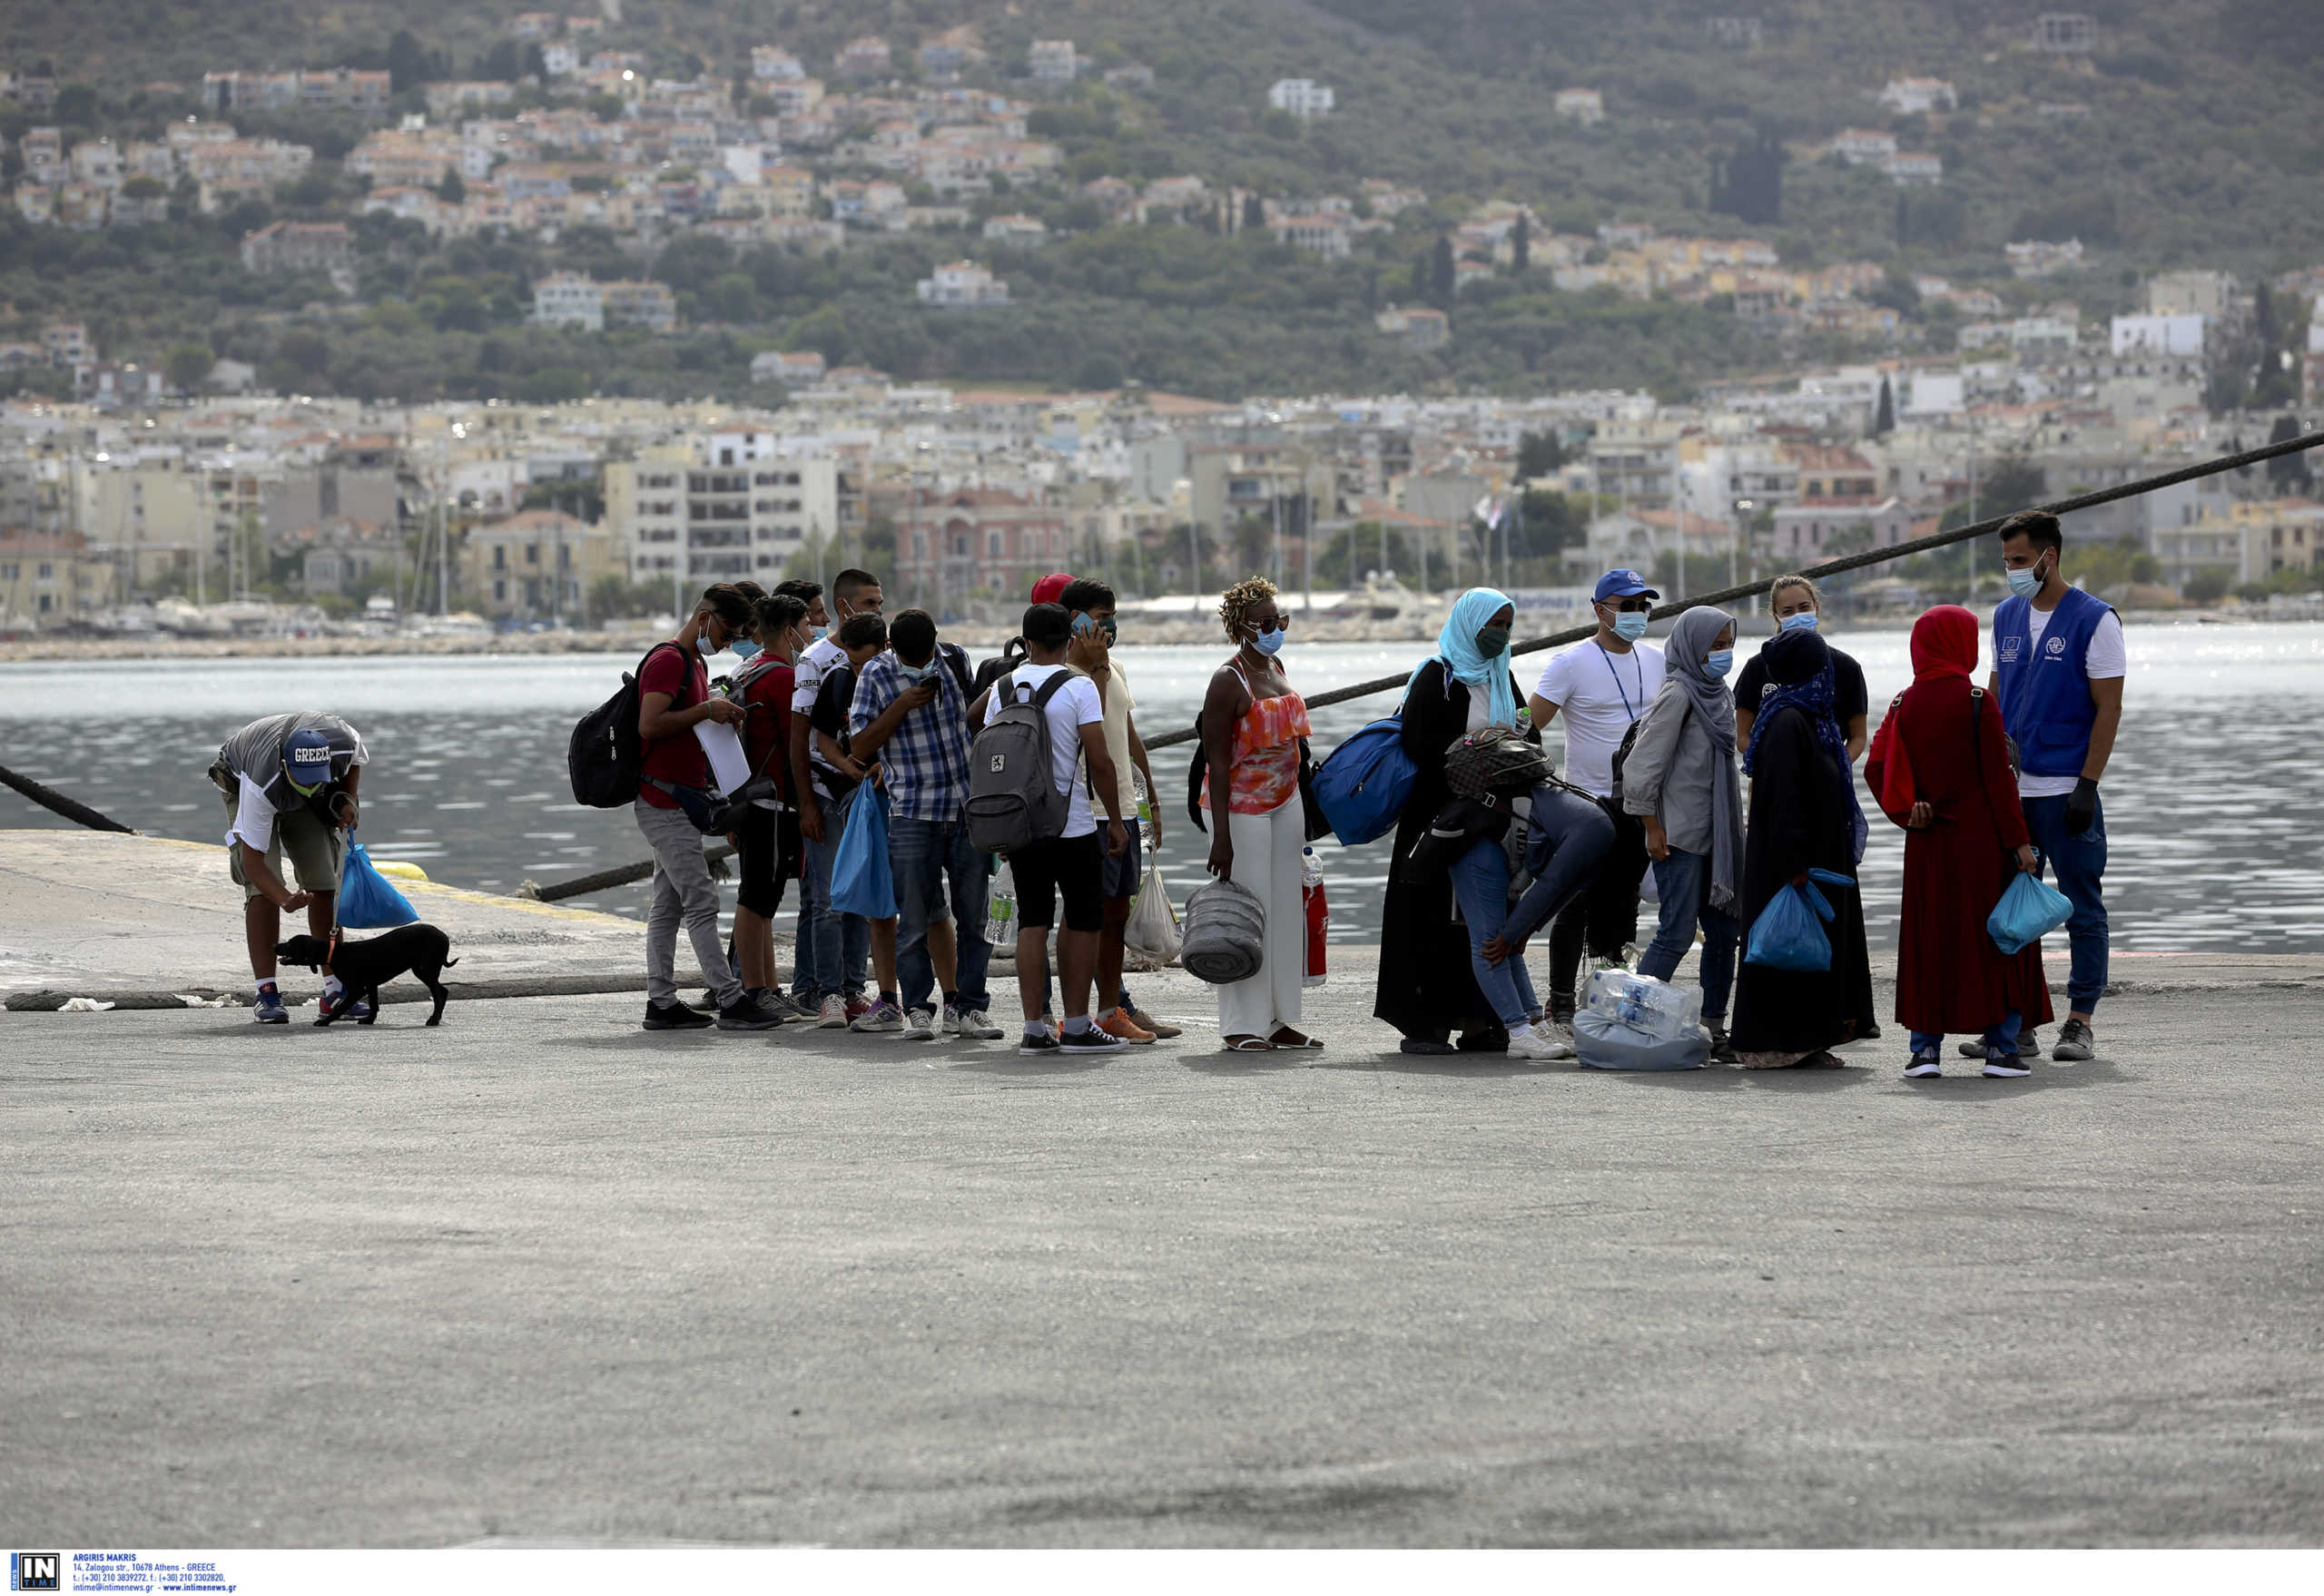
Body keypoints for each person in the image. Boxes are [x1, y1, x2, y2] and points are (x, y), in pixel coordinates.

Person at [1372, 588, 1578, 1061]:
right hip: (1438, 820)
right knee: (1429, 919)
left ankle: (1482, 1020)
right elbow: (1418, 745)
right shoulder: (1436, 677)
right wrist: (1479, 749)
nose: (1502, 634)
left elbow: (1532, 736)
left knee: (1481, 921)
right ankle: (1426, 1022)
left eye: (1508, 624)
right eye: (1495, 624)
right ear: (1470, 624)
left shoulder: (1502, 674)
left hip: (1492, 822)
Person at [1867, 606, 2053, 1079]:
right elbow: (1998, 781)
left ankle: (1924, 1052)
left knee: (1932, 939)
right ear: (1961, 643)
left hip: (1928, 846)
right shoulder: (1977, 700)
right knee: (1997, 941)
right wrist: (2021, 844)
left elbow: (1875, 767)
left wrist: (1906, 812)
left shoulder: (1902, 703)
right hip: (1983, 846)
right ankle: (2000, 1050)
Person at [1986, 509, 2121, 1065]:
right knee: (2017, 911)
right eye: (2007, 562)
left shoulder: (2095, 619)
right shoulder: (2004, 616)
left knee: (2082, 907)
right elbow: (1994, 695)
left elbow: (2108, 707)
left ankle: (2079, 1021)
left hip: (2068, 790)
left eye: (2020, 561)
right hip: (2015, 793)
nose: (2012, 571)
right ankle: (2019, 1025)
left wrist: (2087, 785)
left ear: (2049, 555)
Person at [970, 601, 1131, 1056]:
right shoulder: (1079, 686)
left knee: (1033, 920)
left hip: (1020, 822)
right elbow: (1099, 759)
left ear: (1027, 642)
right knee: (1082, 919)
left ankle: (1034, 1029)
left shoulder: (1002, 687)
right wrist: (1115, 819)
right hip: (1072, 821)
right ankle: (1077, 1024)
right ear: (1070, 642)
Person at [848, 606, 1004, 1042]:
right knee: (913, 921)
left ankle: (969, 1008)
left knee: (974, 918)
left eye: (926, 655)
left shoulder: (953, 659)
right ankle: (917, 1008)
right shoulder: (875, 675)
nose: (922, 666)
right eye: (912, 660)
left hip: (964, 808)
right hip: (913, 812)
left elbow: (973, 723)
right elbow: (859, 745)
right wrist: (901, 704)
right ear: (893, 648)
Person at [633, 586, 785, 1031]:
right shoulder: (668, 660)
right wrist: (706, 709)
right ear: (704, 619)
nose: (725, 643)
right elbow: (650, 724)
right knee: (701, 901)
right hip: (663, 800)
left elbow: (691, 721)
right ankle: (731, 998)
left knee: (667, 905)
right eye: (725, 633)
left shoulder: (695, 663)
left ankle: (660, 1001)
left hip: (681, 798)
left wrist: (716, 713)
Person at [1727, 628, 1876, 1069]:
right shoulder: (1790, 722)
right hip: (1792, 864)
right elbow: (1787, 800)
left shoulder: (1808, 718)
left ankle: (1807, 1040)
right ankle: (1779, 1043)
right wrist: (1795, 864)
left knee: (1807, 953)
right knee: (1789, 952)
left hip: (1811, 859)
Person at [1525, 568, 1665, 1032]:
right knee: (1577, 901)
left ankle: (1616, 993)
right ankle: (1561, 1002)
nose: (1636, 614)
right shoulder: (1569, 663)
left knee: (1626, 904)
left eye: (1643, 606)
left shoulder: (1657, 659)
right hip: (1590, 803)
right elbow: (1529, 726)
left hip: (1643, 802)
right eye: (1626, 606)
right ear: (1600, 609)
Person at [1620, 606, 1745, 1066]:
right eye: (1714, 644)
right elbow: (1642, 767)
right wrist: (1651, 826)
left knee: (1724, 933)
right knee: (1675, 932)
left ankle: (1714, 1026)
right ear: (1692, 646)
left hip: (1720, 837)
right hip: (1680, 834)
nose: (1722, 653)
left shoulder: (1719, 693)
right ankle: (1629, 1023)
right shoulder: (1679, 694)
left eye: (1728, 643)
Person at [1196, 577, 1318, 1053]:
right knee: (1249, 914)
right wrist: (1220, 837)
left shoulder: (1276, 663)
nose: (1276, 628)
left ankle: (1280, 1018)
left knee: (1287, 911)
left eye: (1280, 621)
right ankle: (1240, 1025)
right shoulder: (1228, 680)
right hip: (1239, 808)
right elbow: (1217, 762)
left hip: (1286, 800)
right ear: (1241, 626)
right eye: (1267, 622)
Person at [1059, 576, 1178, 1043]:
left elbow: (1127, 737)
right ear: (1076, 619)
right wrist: (1094, 668)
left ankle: (1111, 1010)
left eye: (1113, 617)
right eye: (1102, 617)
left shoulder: (1118, 668)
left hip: (1124, 808)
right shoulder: (1063, 674)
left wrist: (1150, 800)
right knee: (1080, 914)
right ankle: (1074, 1014)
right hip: (1084, 811)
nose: (1110, 626)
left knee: (1114, 914)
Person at [210, 712, 367, 1023]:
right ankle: (266, 992)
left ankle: (335, 989)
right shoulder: (261, 783)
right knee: (262, 892)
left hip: (297, 780)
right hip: (242, 778)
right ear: (286, 766)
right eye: (302, 779)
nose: (308, 786)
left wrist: (348, 799)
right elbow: (254, 865)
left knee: (325, 882)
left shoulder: (344, 743)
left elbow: (354, 766)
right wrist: (285, 898)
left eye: (316, 778)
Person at [789, 567, 882, 1026]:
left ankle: (852, 988)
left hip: (867, 797)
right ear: (844, 607)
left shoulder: (882, 660)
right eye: (868, 604)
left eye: (880, 604)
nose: (877, 611)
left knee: (863, 895)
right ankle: (824, 991)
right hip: (827, 791)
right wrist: (806, 801)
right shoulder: (816, 661)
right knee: (826, 899)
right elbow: (804, 735)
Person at [813, 612, 908, 1032]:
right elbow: (822, 739)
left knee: (884, 898)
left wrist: (886, 765)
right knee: (837, 896)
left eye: (864, 661)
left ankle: (861, 989)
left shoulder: (895, 679)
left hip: (892, 795)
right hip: (841, 794)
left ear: (885, 648)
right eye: (852, 663)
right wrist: (847, 765)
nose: (859, 671)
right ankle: (831, 992)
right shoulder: (837, 682)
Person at [726, 592, 810, 1019]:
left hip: (752, 797)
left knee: (761, 897)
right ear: (790, 630)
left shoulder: (752, 668)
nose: (811, 634)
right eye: (807, 626)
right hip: (776, 801)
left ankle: (765, 987)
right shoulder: (782, 678)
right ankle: (756, 989)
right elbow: (797, 746)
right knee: (758, 897)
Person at [1735, 574, 1870, 764]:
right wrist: (1771, 764)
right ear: (1777, 616)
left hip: (1829, 782)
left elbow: (1858, 737)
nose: (1797, 615)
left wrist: (1836, 765)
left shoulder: (1846, 668)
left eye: (1804, 607)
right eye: (1788, 611)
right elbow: (1742, 736)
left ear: (1817, 608)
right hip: (1772, 781)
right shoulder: (1757, 667)